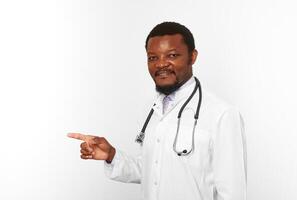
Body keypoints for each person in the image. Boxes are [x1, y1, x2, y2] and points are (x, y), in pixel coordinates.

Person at [68, 21, 247, 200]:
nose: (161, 64)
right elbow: (150, 170)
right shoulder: (151, 109)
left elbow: (233, 193)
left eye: (172, 55)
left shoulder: (222, 115)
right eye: (153, 57)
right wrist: (111, 155)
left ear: (192, 57)